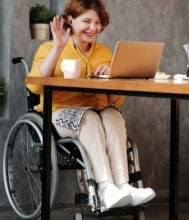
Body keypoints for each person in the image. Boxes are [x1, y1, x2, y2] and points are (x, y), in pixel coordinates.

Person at [26, 0, 155, 211]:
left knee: (114, 115)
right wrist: (58, 47)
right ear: (71, 20)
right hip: (59, 114)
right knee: (90, 118)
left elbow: (113, 100)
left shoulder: (104, 52)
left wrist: (111, 77)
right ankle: (105, 188)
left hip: (99, 112)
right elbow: (35, 87)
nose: (93, 28)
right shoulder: (48, 47)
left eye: (97, 23)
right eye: (86, 21)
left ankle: (123, 186)